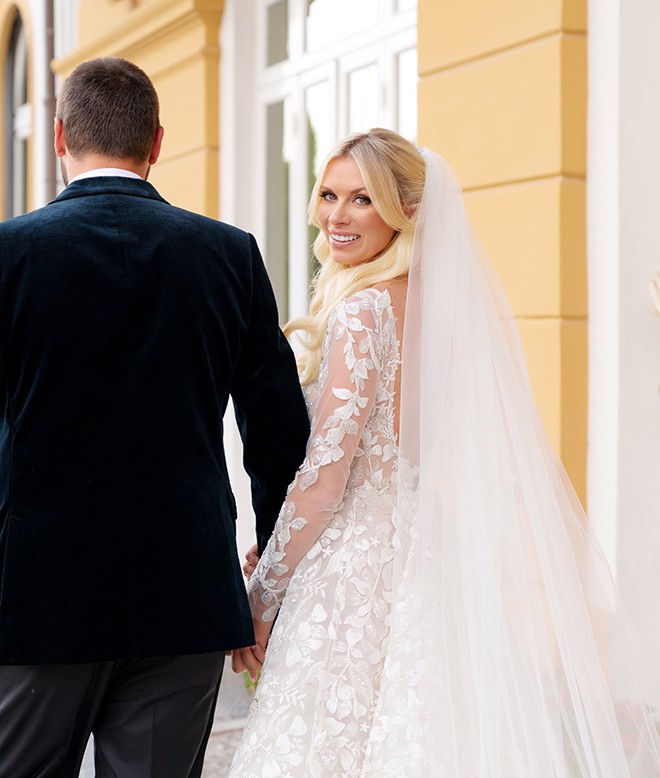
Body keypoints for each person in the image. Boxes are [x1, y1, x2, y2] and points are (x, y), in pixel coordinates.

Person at [228, 128, 660, 777]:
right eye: (328, 195)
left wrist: (262, 593)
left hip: (350, 573)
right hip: (421, 556)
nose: (337, 216)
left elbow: (325, 480)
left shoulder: (363, 312)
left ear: (406, 210)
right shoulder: (446, 315)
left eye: (362, 200)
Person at [0, 57, 309, 778]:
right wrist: (277, 567)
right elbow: (277, 431)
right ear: (158, 142)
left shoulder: (9, 255)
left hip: (40, 595)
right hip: (186, 591)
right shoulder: (229, 255)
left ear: (58, 136)